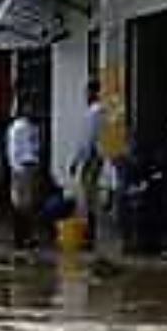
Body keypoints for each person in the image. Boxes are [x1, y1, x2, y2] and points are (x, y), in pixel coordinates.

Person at [6, 103, 43, 249]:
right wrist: (17, 168)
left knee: (30, 204)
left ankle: (29, 237)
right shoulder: (18, 127)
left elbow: (36, 147)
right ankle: (20, 238)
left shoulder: (34, 128)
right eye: (30, 109)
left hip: (32, 166)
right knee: (20, 204)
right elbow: (12, 149)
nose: (32, 112)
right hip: (22, 167)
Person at [74, 79, 105, 233]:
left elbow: (87, 139)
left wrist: (78, 160)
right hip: (96, 155)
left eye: (88, 92)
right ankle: (90, 228)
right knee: (90, 192)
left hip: (93, 156)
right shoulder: (98, 111)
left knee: (88, 192)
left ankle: (90, 230)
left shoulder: (94, 112)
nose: (86, 95)